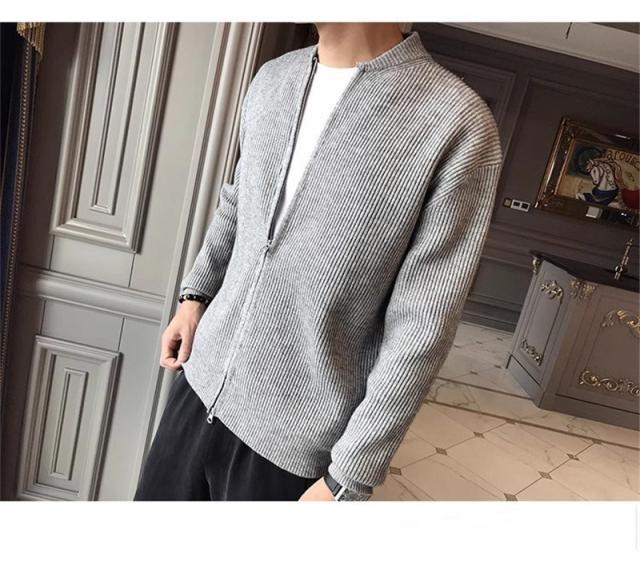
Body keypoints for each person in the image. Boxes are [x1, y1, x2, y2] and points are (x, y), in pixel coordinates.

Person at [134, 22, 503, 501]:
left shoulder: (456, 121)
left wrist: (349, 477)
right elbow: (238, 201)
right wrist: (194, 296)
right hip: (198, 386)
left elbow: (424, 323)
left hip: (293, 444)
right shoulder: (273, 79)